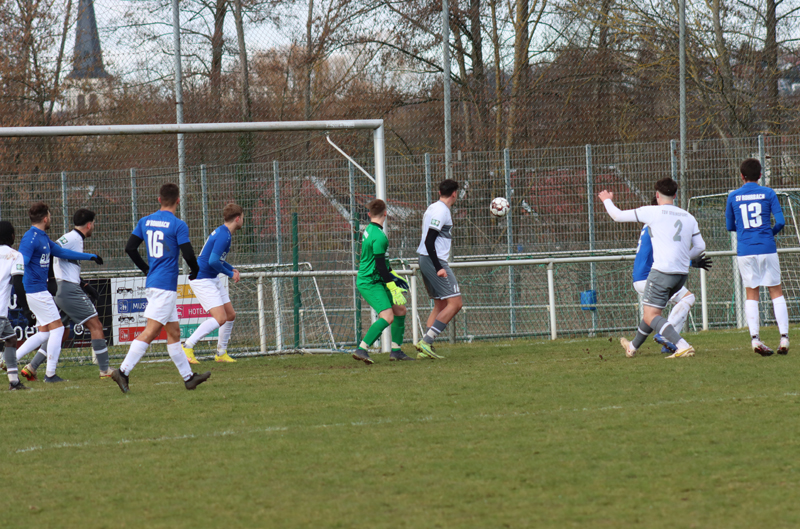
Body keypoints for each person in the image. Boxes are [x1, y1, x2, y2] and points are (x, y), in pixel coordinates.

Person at [110, 183, 210, 393]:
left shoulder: (145, 221)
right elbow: (189, 254)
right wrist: (195, 271)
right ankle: (123, 371)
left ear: (159, 199)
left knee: (174, 333)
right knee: (151, 331)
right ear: (178, 201)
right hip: (165, 286)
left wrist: (147, 269)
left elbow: (130, 248)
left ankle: (188, 378)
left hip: (156, 281)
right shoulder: (178, 224)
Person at [599, 178, 706, 358]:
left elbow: (616, 215)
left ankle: (681, 344)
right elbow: (701, 247)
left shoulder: (653, 213)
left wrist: (606, 200)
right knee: (652, 312)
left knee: (651, 315)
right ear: (675, 195)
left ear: (657, 195)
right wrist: (684, 258)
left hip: (659, 273)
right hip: (680, 275)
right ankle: (632, 347)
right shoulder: (688, 216)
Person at [13, 203, 102, 382]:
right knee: (59, 329)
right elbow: (21, 264)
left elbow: (61, 252)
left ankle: (10, 360)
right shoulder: (30, 238)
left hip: (40, 291)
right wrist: (22, 293)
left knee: (45, 333)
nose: (51, 218)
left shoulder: (43, 237)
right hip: (36, 291)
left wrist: (90, 256)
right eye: (50, 215)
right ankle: (50, 374)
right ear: (45, 218)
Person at [631, 197, 711, 354]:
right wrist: (690, 263)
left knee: (652, 314)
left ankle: (632, 347)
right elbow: (666, 257)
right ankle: (668, 337)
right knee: (687, 298)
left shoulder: (649, 225)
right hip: (650, 277)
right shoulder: (658, 226)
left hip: (641, 277)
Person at [726, 158, 788, 356]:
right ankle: (784, 337)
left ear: (742, 176)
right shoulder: (768, 193)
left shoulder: (733, 196)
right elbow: (780, 221)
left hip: (746, 249)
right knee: (775, 291)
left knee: (751, 293)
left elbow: (730, 226)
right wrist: (769, 233)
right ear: (760, 175)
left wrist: (746, 232)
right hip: (767, 247)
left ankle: (755, 339)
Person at [351, 199, 414, 364]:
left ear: (369, 214)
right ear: (386, 213)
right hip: (370, 282)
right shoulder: (379, 237)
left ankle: (396, 351)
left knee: (400, 310)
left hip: (377, 278)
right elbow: (380, 266)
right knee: (387, 316)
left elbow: (382, 264)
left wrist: (393, 276)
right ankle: (362, 349)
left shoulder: (369, 230)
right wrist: (393, 286)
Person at [182, 203, 243, 364]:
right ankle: (187, 346)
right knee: (220, 317)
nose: (243, 220)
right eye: (242, 217)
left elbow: (217, 259)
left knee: (230, 315)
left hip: (211, 277)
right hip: (202, 279)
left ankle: (221, 353)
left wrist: (232, 268)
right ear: (237, 218)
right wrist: (230, 273)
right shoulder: (224, 235)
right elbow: (213, 261)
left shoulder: (224, 232)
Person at [415, 179, 462, 359]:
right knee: (456, 303)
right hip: (434, 261)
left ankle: (427, 348)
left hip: (426, 259)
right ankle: (426, 342)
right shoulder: (442, 211)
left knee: (440, 304)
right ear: (454, 194)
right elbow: (429, 240)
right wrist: (438, 267)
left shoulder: (433, 207)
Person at [0, 221, 29, 389]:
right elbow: (18, 284)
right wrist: (26, 309)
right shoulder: (15, 255)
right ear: (12, 236)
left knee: (11, 339)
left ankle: (14, 382)